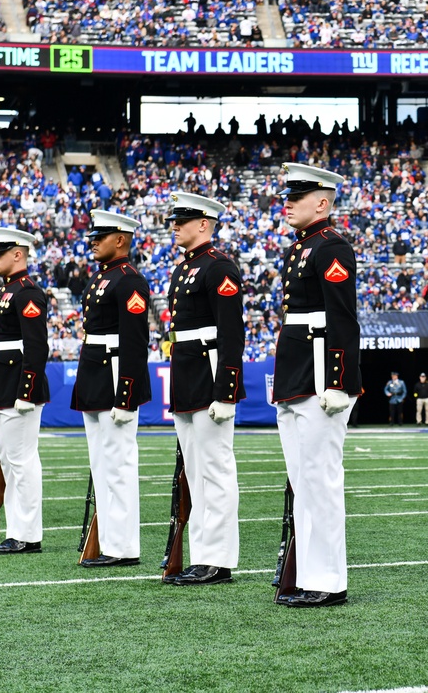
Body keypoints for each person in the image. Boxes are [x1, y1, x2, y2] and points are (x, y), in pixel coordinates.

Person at [272, 162, 360, 608]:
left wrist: (338, 382)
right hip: (297, 371)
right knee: (301, 478)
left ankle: (327, 580)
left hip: (320, 374)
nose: (286, 203)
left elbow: (342, 319)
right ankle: (308, 572)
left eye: (297, 196)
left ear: (323, 202)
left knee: (319, 479)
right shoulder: (302, 248)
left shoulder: (331, 247)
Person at [163, 191, 245, 585]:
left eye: (183, 219)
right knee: (194, 471)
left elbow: (232, 332)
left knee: (214, 468)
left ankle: (218, 557)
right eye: (174, 219)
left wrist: (227, 389)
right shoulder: (185, 269)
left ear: (204, 224)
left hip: (209, 370)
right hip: (186, 370)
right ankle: (202, 554)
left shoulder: (218, 267)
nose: (175, 225)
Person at [71, 210, 151, 567]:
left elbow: (135, 342)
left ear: (120, 239)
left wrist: (126, 394)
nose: (92, 241)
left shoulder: (129, 280)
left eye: (99, 236)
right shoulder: (103, 278)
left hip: (115, 373)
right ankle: (108, 541)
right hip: (95, 375)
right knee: (100, 464)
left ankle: (122, 547)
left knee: (117, 464)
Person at [0, 227, 49, 554]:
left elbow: (36, 347)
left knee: (21, 461)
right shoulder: (8, 291)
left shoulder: (27, 292)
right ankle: (17, 529)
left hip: (17, 388)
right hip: (1, 385)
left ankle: (27, 534)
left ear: (18, 254)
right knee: (9, 461)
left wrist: (27, 389)